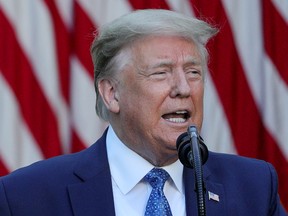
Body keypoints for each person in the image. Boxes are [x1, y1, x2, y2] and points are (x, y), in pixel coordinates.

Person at [0, 9, 286, 216]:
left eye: (193, 72)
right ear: (111, 93)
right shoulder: (26, 197)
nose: (183, 88)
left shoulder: (254, 188)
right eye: (161, 73)